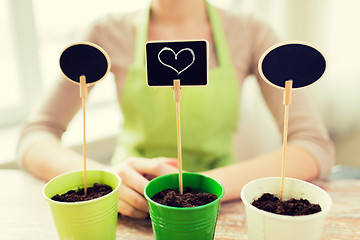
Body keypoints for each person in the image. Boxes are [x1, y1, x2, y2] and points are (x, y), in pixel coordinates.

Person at [17, 0, 334, 219]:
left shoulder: (251, 32)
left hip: (221, 205)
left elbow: (313, 146)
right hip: (128, 203)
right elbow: (34, 137)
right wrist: (108, 178)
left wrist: (202, 187)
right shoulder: (104, 33)